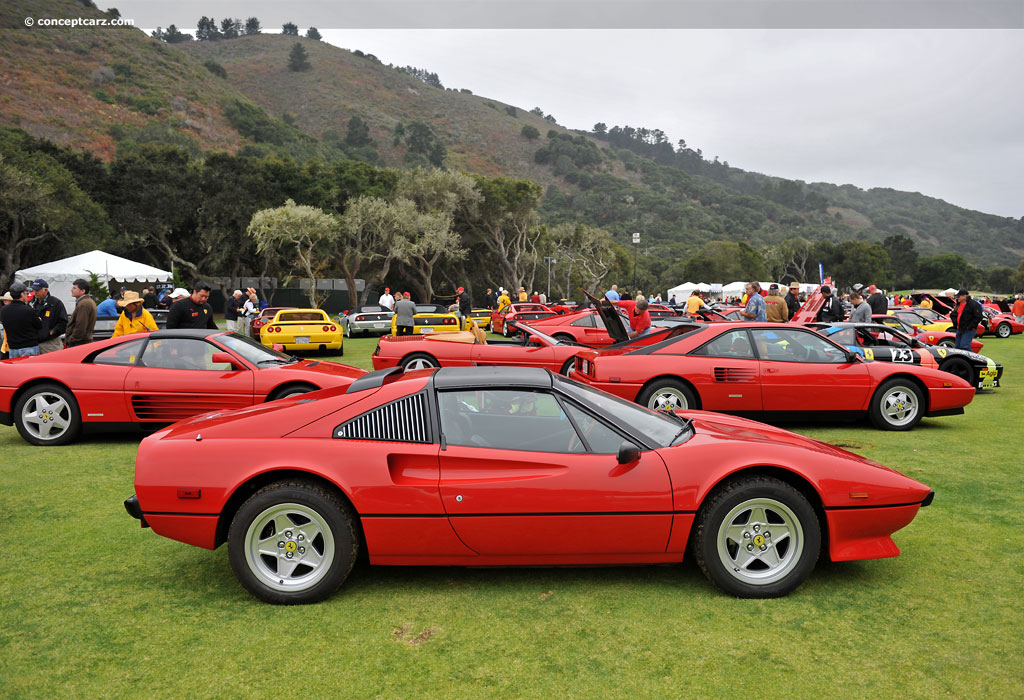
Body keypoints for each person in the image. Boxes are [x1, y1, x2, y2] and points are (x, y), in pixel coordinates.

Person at [1, 283, 43, 357]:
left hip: (13, 348)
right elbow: (39, 326)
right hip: (29, 347)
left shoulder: (4, 310)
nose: (27, 295)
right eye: (26, 293)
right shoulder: (28, 310)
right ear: (22, 294)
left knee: (15, 369)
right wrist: (39, 320)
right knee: (29, 368)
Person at [30, 279, 68, 354]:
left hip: (50, 343)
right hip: (33, 343)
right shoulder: (31, 303)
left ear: (46, 290)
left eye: (37, 290)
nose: (35, 292)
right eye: (34, 290)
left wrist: (54, 331)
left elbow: (63, 322)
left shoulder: (56, 303)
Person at [65, 278, 97, 347]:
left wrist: (71, 339)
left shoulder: (84, 304)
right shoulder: (86, 302)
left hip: (79, 343)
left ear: (82, 291)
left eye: (74, 288)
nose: (71, 290)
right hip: (81, 342)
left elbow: (81, 326)